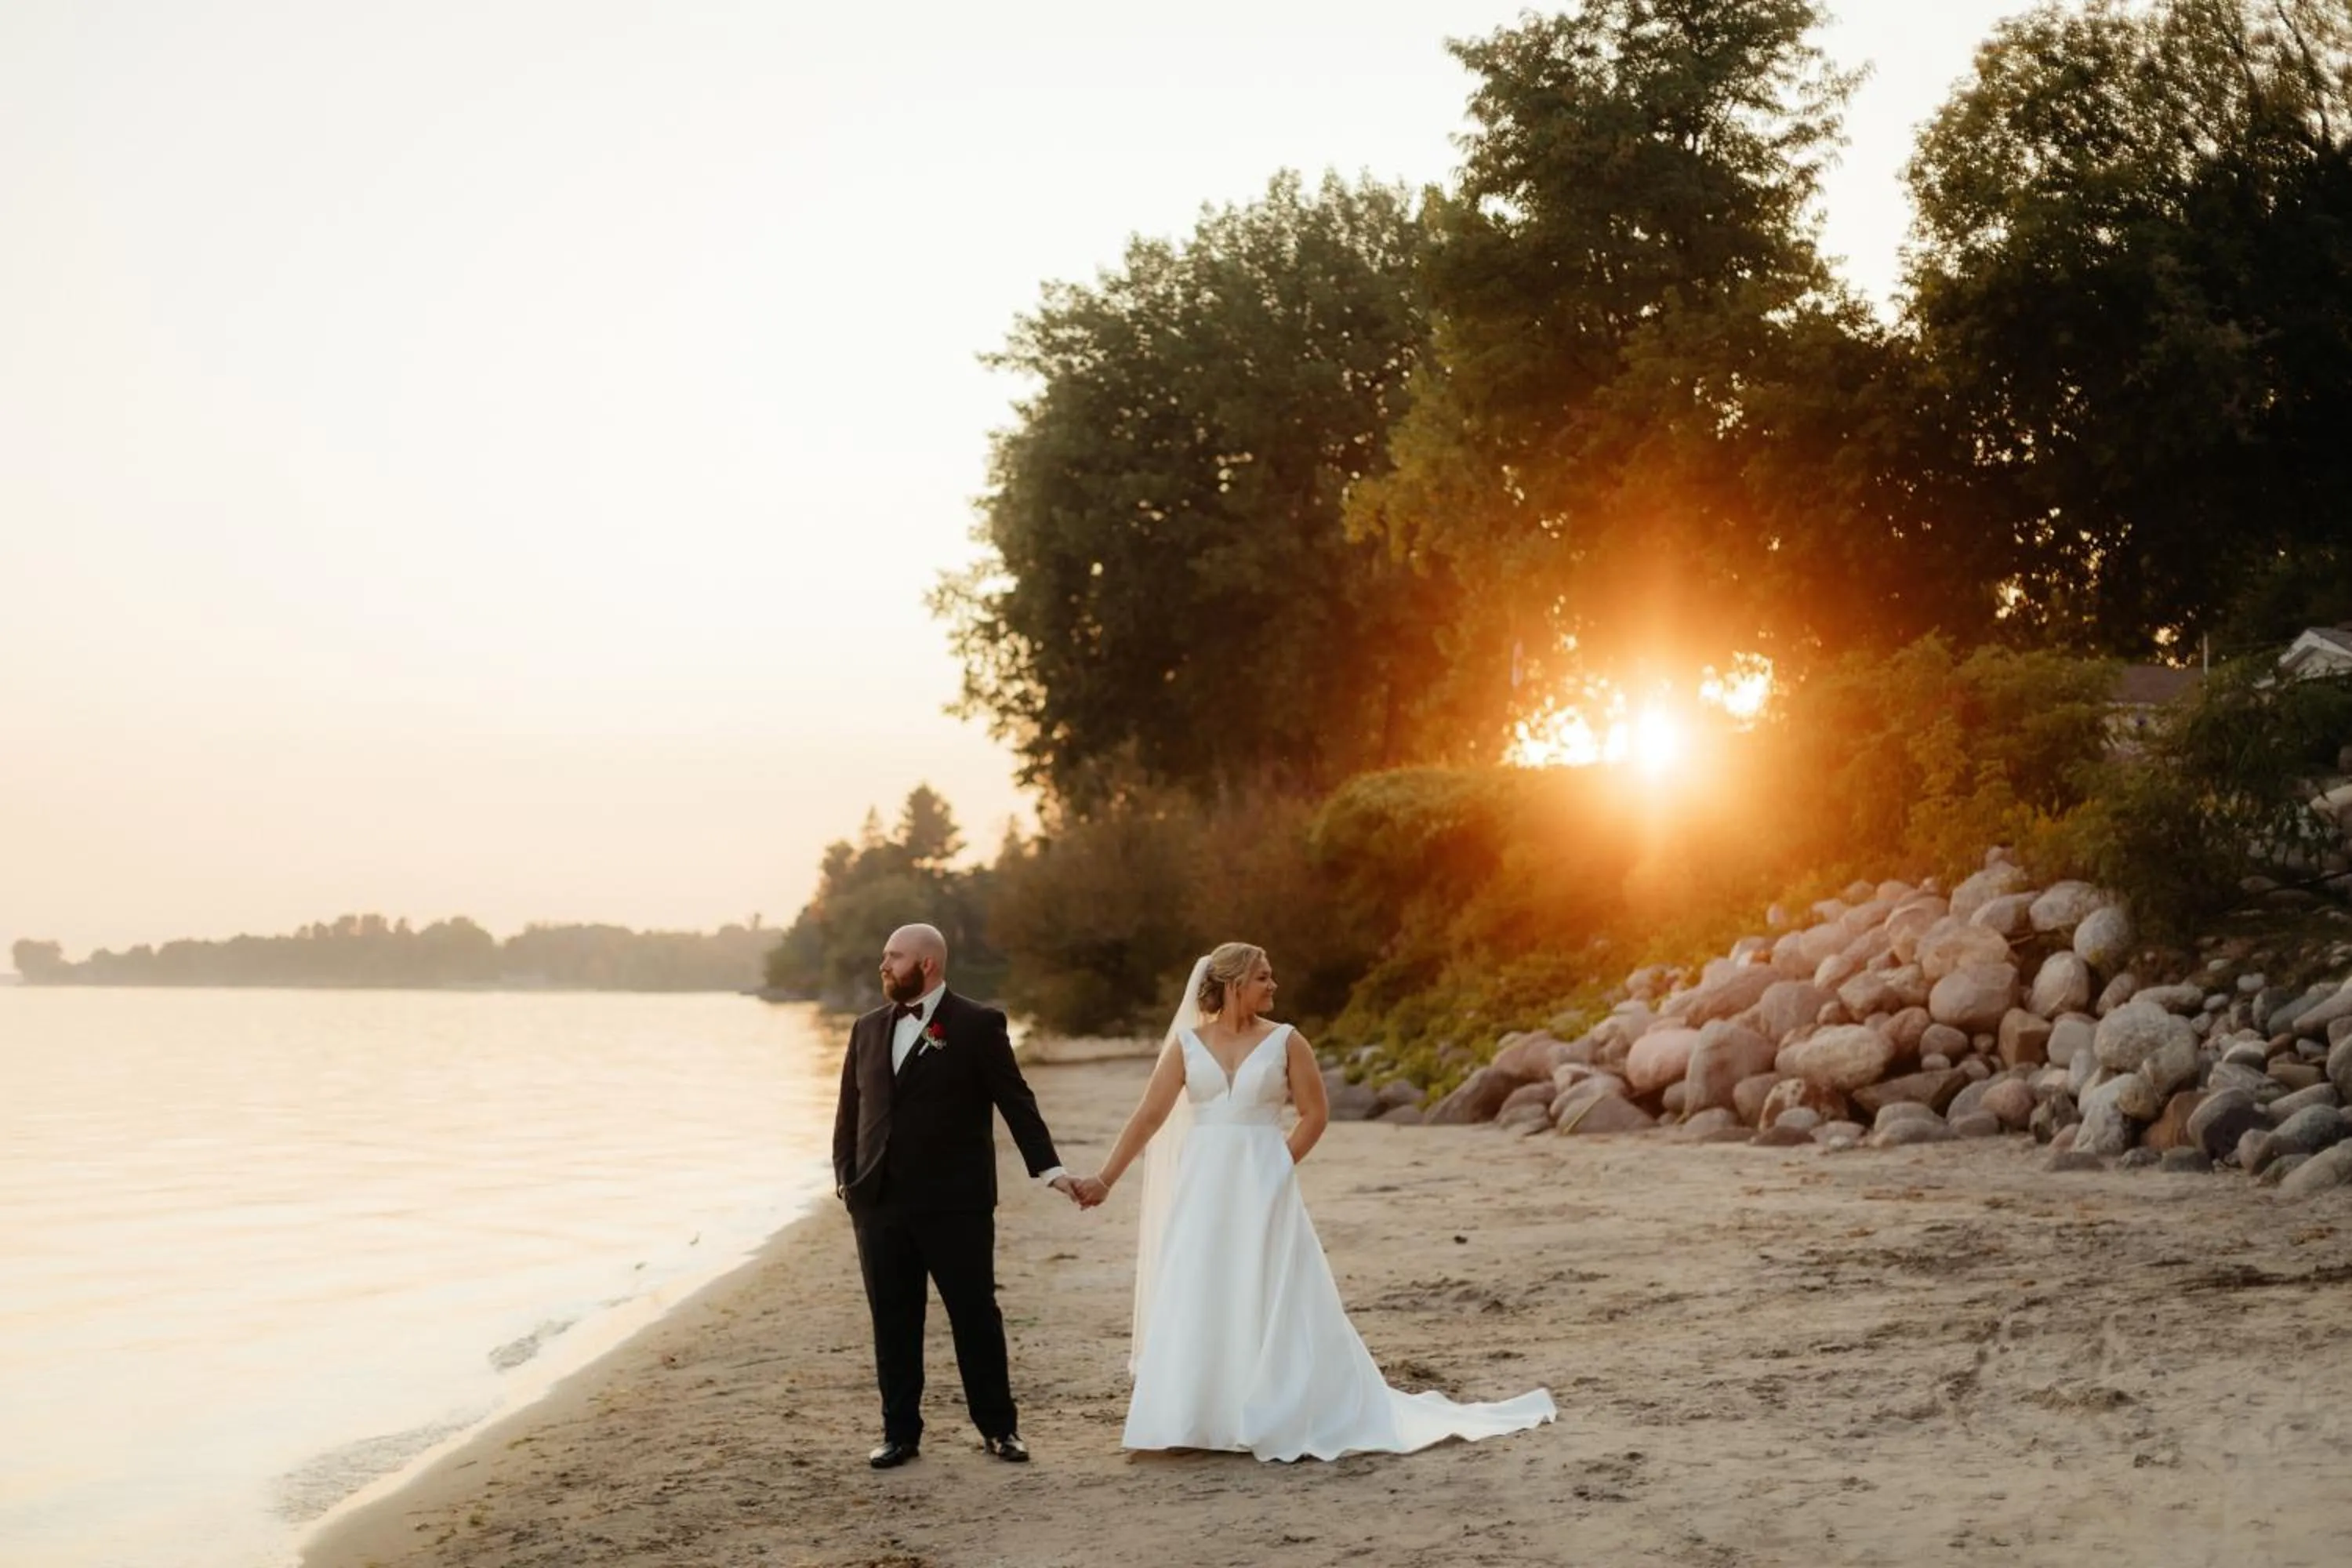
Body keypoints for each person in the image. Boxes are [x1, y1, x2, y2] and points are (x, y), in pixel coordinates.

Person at [1075, 942, 1556, 1460]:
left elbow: (1314, 1114)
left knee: (1270, 1281)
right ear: (1235, 984)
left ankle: (1273, 1407)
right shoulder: (1187, 1045)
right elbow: (1149, 1117)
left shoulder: (1286, 1041)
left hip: (1266, 1179)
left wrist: (1278, 1166)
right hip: (1204, 1185)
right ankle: (1199, 1417)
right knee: (1203, 1280)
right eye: (1263, 977)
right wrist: (1105, 1179)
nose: (1273, 985)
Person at [832, 923, 1084, 1468]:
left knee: (975, 1317)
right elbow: (850, 1113)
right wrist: (847, 1180)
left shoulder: (977, 1024)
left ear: (927, 964)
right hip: (879, 1204)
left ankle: (999, 1430)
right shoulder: (867, 1027)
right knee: (893, 1321)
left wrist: (1050, 1170)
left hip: (956, 1205)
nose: (884, 965)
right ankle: (900, 1434)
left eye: (894, 956)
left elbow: (1016, 1101)